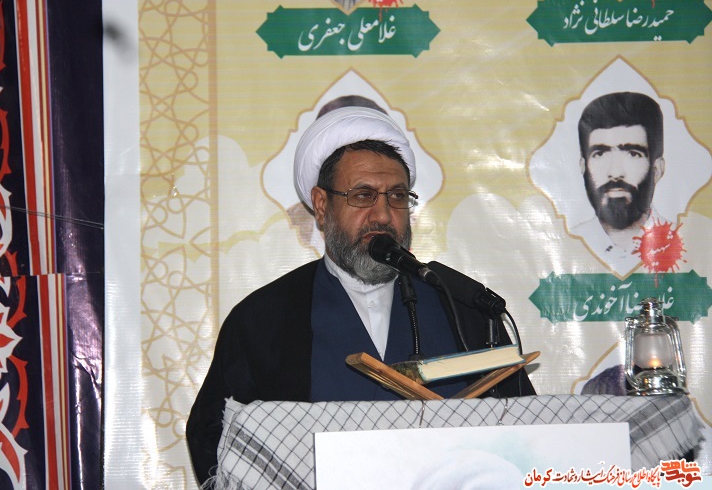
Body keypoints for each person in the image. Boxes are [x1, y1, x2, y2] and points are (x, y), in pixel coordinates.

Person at [186, 107, 535, 485]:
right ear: (322, 206)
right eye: (363, 195)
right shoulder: (263, 319)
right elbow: (218, 440)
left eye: (397, 196)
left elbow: (523, 433)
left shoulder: (463, 307)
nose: (382, 215)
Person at [570, 92, 666, 270]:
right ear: (583, 167)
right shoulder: (566, 245)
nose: (615, 173)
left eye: (633, 154)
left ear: (657, 169)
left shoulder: (689, 244)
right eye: (600, 154)